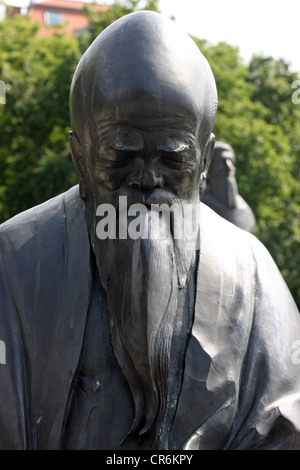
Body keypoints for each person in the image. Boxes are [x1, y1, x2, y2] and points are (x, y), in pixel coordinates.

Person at [0, 11, 300, 451]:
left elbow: (285, 425)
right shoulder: (11, 263)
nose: (147, 181)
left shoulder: (252, 276)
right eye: (120, 156)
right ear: (80, 157)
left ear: (203, 160)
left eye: (173, 159)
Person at [203, 141, 256, 232]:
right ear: (208, 167)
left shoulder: (245, 211)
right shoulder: (199, 204)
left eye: (230, 161)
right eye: (221, 162)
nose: (228, 167)